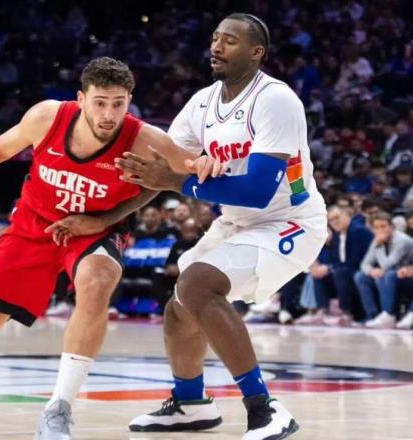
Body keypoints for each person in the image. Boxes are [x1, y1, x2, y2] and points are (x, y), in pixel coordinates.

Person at [0, 57, 222, 440]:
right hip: (33, 226)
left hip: (95, 229)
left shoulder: (146, 139)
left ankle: (59, 408)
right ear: (81, 99)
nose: (109, 114)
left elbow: (190, 169)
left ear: (129, 101)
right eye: (100, 102)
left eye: (118, 103)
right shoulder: (48, 117)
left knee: (98, 280)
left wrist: (207, 163)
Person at [115, 13, 327, 440]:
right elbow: (163, 167)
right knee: (179, 306)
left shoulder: (276, 99)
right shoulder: (202, 103)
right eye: (214, 38)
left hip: (289, 222)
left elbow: (257, 191)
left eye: (229, 41)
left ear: (256, 52)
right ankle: (191, 404)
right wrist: (107, 216)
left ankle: (265, 409)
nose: (216, 46)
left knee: (197, 284)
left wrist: (180, 181)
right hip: (237, 223)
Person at [354, 212, 413, 328]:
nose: (380, 230)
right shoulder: (377, 240)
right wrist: (371, 271)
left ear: (391, 226)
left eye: (383, 226)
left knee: (388, 275)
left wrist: (378, 246)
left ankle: (389, 314)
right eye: (376, 228)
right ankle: (372, 315)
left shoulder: (402, 241)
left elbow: (387, 265)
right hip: (396, 275)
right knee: (360, 276)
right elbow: (364, 264)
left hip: (404, 277)